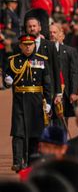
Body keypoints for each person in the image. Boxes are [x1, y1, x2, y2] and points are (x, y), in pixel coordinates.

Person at [5, 33, 55, 171]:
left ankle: (32, 161)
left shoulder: (42, 60)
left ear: (34, 45)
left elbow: (47, 84)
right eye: (25, 45)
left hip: (36, 100)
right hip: (20, 100)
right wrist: (7, 79)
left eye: (30, 44)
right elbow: (8, 75)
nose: (28, 47)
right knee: (18, 132)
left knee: (35, 133)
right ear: (20, 46)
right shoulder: (14, 61)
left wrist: (48, 102)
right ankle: (17, 161)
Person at [49, 22, 78, 124]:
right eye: (50, 32)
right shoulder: (43, 50)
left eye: (54, 32)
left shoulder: (70, 51)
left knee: (61, 124)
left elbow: (75, 73)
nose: (52, 34)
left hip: (63, 93)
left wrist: (74, 92)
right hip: (47, 92)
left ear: (60, 34)